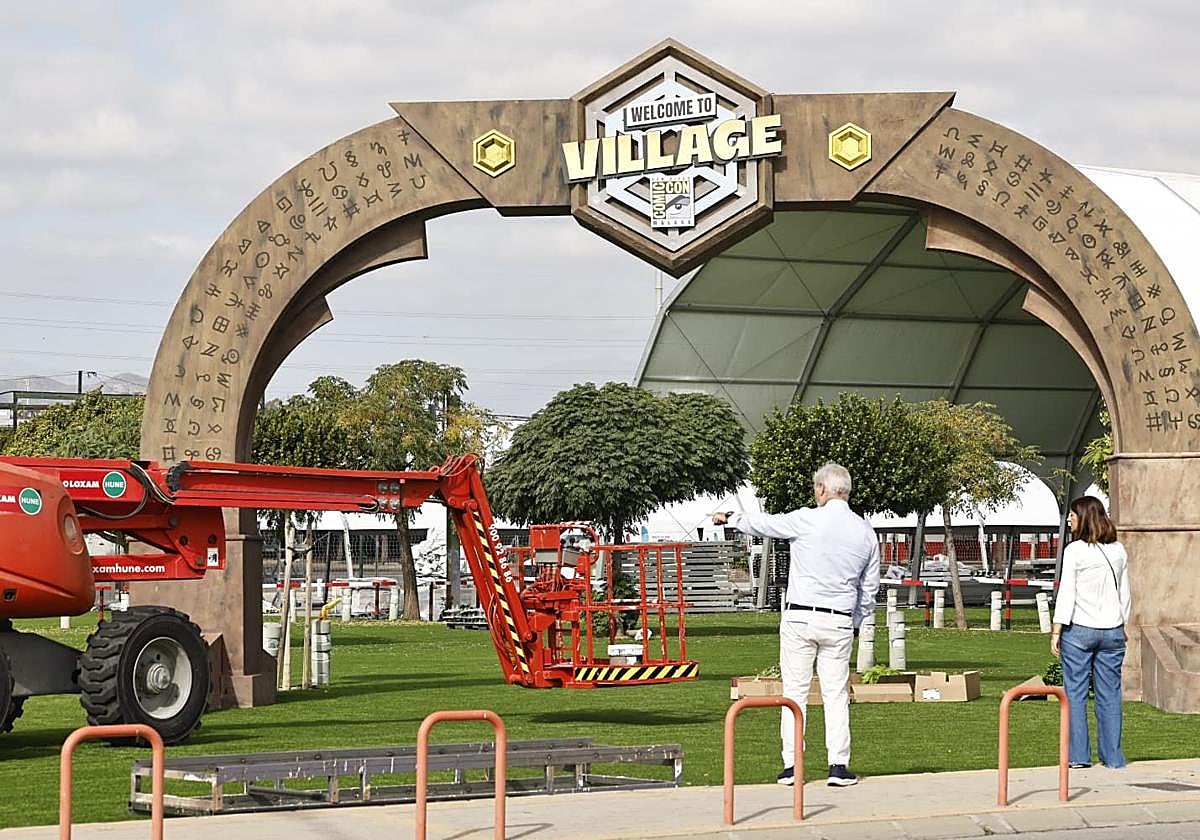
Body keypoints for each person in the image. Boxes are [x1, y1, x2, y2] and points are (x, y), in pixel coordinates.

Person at [713, 462, 879, 788]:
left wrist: (731, 518)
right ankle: (838, 766)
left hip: (801, 616)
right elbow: (869, 588)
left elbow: (765, 524)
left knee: (794, 692)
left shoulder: (807, 519)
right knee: (836, 694)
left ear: (822, 489)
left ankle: (792, 766)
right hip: (839, 619)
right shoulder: (864, 531)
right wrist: (856, 622)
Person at [1051, 495, 1131, 769]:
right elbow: (1125, 593)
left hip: (1080, 630)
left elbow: (1067, 593)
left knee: (1075, 694)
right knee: (1110, 694)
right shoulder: (1118, 550)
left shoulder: (1074, 550)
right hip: (1113, 630)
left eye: (1073, 516)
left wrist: (1056, 629)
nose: (1069, 520)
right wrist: (1122, 623)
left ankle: (1078, 756)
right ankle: (1113, 757)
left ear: (1084, 518)